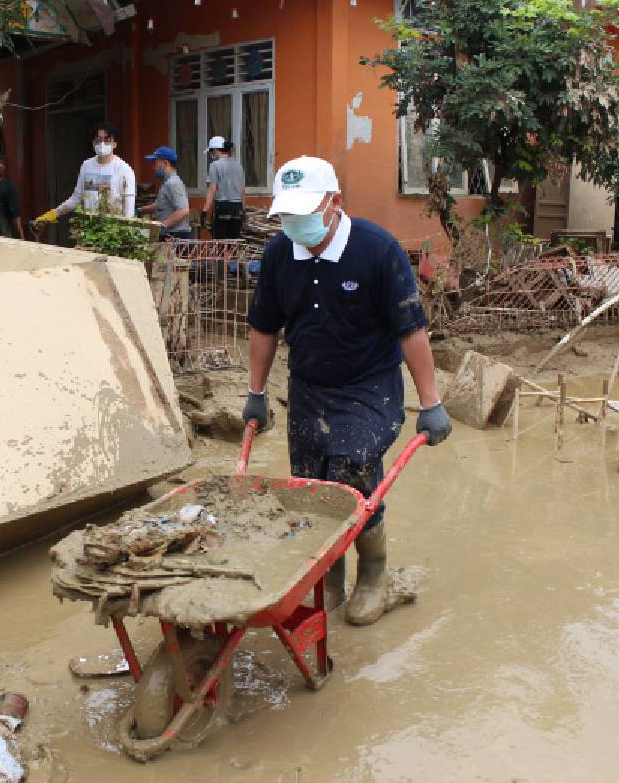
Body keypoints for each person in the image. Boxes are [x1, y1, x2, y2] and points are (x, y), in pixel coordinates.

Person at [243, 156, 452, 626]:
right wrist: (256, 393)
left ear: (334, 203)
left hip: (369, 386)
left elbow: (411, 331)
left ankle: (374, 571)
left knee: (352, 467)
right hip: (309, 387)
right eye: (287, 214)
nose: (295, 222)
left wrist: (432, 403)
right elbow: (263, 327)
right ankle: (328, 575)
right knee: (309, 486)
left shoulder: (378, 250)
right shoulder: (281, 254)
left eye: (305, 211)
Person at [36, 122, 136, 223]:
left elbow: (129, 210)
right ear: (93, 143)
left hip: (114, 230)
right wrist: (54, 213)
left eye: (107, 140)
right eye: (98, 140)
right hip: (89, 228)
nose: (102, 144)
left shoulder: (124, 170)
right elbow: (77, 198)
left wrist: (125, 231)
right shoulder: (87, 166)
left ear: (115, 144)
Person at [138, 146, 192, 241]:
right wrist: (141, 210)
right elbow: (161, 204)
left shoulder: (173, 183)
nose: (153, 167)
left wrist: (162, 226)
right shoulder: (167, 182)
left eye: (155, 163)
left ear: (165, 163)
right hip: (171, 234)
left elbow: (183, 211)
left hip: (176, 236)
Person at [201, 136, 246, 240]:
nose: (211, 154)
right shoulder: (238, 166)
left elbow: (212, 189)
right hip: (237, 207)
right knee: (234, 243)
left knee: (219, 243)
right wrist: (243, 210)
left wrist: (204, 211)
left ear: (216, 150)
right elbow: (242, 191)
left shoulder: (214, 166)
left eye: (211, 151)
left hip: (222, 207)